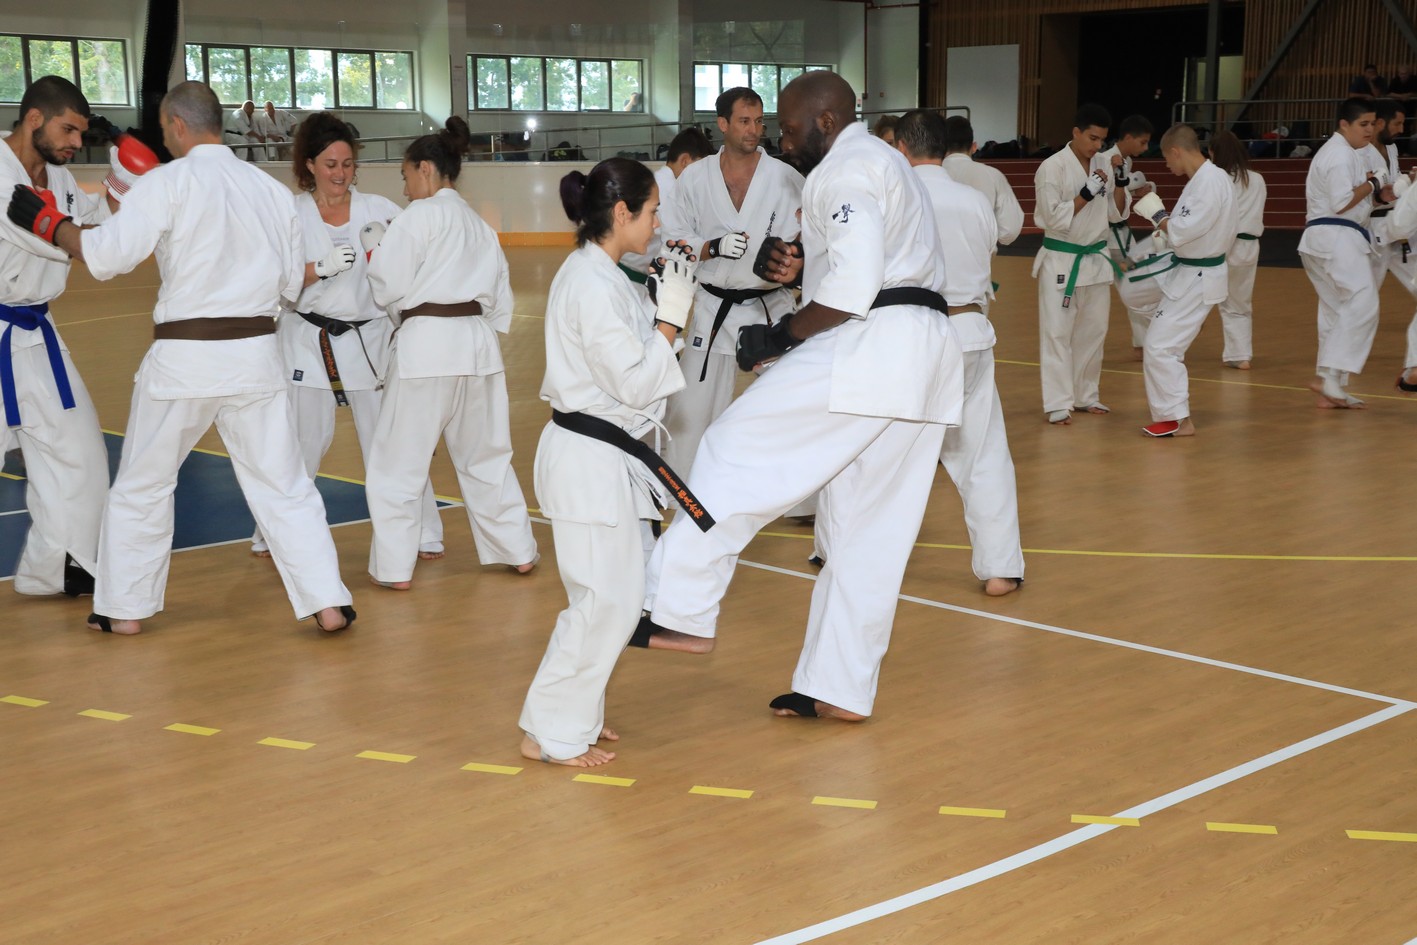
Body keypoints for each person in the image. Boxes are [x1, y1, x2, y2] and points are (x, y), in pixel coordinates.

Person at [633, 71, 965, 725]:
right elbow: (873, 260)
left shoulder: (846, 169)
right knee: (866, 531)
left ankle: (678, 610)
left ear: (826, 120)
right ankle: (839, 686)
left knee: (733, 445)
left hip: (872, 344)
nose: (780, 141)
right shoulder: (884, 164)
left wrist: (781, 334)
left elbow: (855, 285)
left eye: (787, 128)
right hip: (924, 356)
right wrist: (804, 268)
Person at [7, 80, 355, 634]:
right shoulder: (270, 192)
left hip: (185, 361)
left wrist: (50, 224)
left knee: (144, 485)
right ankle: (328, 601)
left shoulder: (166, 183)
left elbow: (106, 256)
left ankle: (124, 611)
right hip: (255, 359)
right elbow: (292, 285)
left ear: (175, 125)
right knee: (285, 485)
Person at [519, 160, 696, 767]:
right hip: (587, 457)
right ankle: (552, 733)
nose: (657, 223)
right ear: (622, 213)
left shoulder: (606, 275)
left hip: (603, 455)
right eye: (652, 212)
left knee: (612, 597)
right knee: (603, 601)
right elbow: (635, 382)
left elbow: (638, 362)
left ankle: (573, 713)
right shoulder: (590, 283)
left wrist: (660, 302)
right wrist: (670, 319)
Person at [248, 113, 444, 560]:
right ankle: (272, 532)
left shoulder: (380, 211)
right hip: (306, 339)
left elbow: (415, 265)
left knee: (390, 443)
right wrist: (319, 268)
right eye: (330, 164)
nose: (340, 174)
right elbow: (272, 279)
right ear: (309, 165)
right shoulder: (291, 213)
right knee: (300, 444)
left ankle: (421, 530)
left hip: (369, 340)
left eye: (348, 164)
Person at [363, 117, 537, 589]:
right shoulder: (480, 225)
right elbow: (501, 301)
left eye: (405, 176)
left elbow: (386, 287)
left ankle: (395, 568)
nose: (405, 189)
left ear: (425, 168)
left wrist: (376, 257)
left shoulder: (417, 218)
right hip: (478, 347)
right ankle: (518, 550)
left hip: (426, 348)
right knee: (487, 457)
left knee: (398, 462)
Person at [0, 76, 129, 598]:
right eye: (68, 130)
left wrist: (122, 187)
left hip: (36, 333)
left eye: (81, 132)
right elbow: (67, 244)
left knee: (81, 455)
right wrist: (102, 237)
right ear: (35, 119)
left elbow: (100, 223)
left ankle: (59, 566)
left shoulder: (60, 178)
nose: (77, 141)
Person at [894, 109, 1022, 596]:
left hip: (912, 335)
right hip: (969, 330)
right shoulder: (975, 201)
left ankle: (847, 554)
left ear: (901, 148)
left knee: (886, 454)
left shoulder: (896, 198)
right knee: (983, 454)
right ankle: (1000, 567)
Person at [660, 87, 804, 482]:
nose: (754, 130)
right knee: (691, 406)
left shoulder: (786, 178)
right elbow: (671, 240)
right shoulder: (695, 178)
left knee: (791, 403)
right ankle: (682, 487)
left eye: (759, 121)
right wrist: (711, 247)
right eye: (744, 121)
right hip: (713, 307)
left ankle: (800, 496)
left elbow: (811, 236)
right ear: (722, 124)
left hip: (770, 306)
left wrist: (797, 259)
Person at [1132, 124, 1237, 438]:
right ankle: (1174, 415)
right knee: (1137, 299)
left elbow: (1180, 231)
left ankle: (1178, 419)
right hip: (1189, 271)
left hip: (1199, 275)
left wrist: (1156, 213)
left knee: (1160, 346)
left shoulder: (1210, 182)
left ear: (1176, 152)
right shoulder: (1203, 180)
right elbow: (1180, 231)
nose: (1166, 165)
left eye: (1166, 158)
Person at [1032, 103, 1123, 424]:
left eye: (1102, 140)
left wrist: (1122, 182)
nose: (1097, 146)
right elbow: (1051, 217)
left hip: (1095, 258)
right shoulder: (1051, 168)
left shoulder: (1104, 164)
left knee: (1093, 332)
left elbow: (1116, 213)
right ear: (1076, 132)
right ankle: (1058, 402)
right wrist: (1085, 193)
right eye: (1092, 138)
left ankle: (1086, 395)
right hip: (1062, 259)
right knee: (1057, 333)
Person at [1299, 98, 1392, 408]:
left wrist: (1379, 196)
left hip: (1322, 238)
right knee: (1364, 301)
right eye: (1363, 124)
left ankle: (1331, 384)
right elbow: (1340, 203)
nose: (1369, 130)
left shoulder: (1344, 153)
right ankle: (1329, 375)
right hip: (1336, 237)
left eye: (1372, 124)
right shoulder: (1339, 154)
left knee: (1337, 310)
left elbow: (1351, 200)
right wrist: (1374, 182)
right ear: (1344, 124)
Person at [1362, 100, 1417, 392]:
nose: (1401, 129)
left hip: (1398, 227)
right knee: (1363, 295)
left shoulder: (1392, 149)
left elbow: (1392, 188)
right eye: (1397, 123)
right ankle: (1344, 354)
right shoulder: (1361, 151)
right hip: (1373, 228)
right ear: (1381, 122)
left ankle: (1414, 367)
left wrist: (1405, 184)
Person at [618, 126, 712, 280]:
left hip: (637, 270)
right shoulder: (669, 191)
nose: (703, 177)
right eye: (701, 168)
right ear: (685, 161)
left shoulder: (659, 181)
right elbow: (685, 241)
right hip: (633, 275)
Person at [1210, 130, 1267, 371]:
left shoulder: (1218, 179)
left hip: (1223, 245)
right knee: (1239, 303)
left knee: (1198, 298)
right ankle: (1240, 354)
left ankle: (1174, 345)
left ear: (1214, 153)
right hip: (1250, 247)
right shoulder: (1257, 179)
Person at [1099, 114, 1155, 358]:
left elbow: (1119, 193)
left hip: (1120, 234)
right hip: (1110, 236)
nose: (1145, 148)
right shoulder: (1104, 160)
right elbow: (1109, 199)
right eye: (1142, 142)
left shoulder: (1125, 161)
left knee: (1136, 286)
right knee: (1136, 287)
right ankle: (1146, 343)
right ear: (1129, 137)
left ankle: (1143, 344)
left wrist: (1137, 190)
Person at [941, 115, 1024, 246]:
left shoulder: (928, 174)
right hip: (979, 251)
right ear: (974, 147)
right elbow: (1010, 229)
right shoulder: (992, 175)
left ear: (941, 146)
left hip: (934, 253)